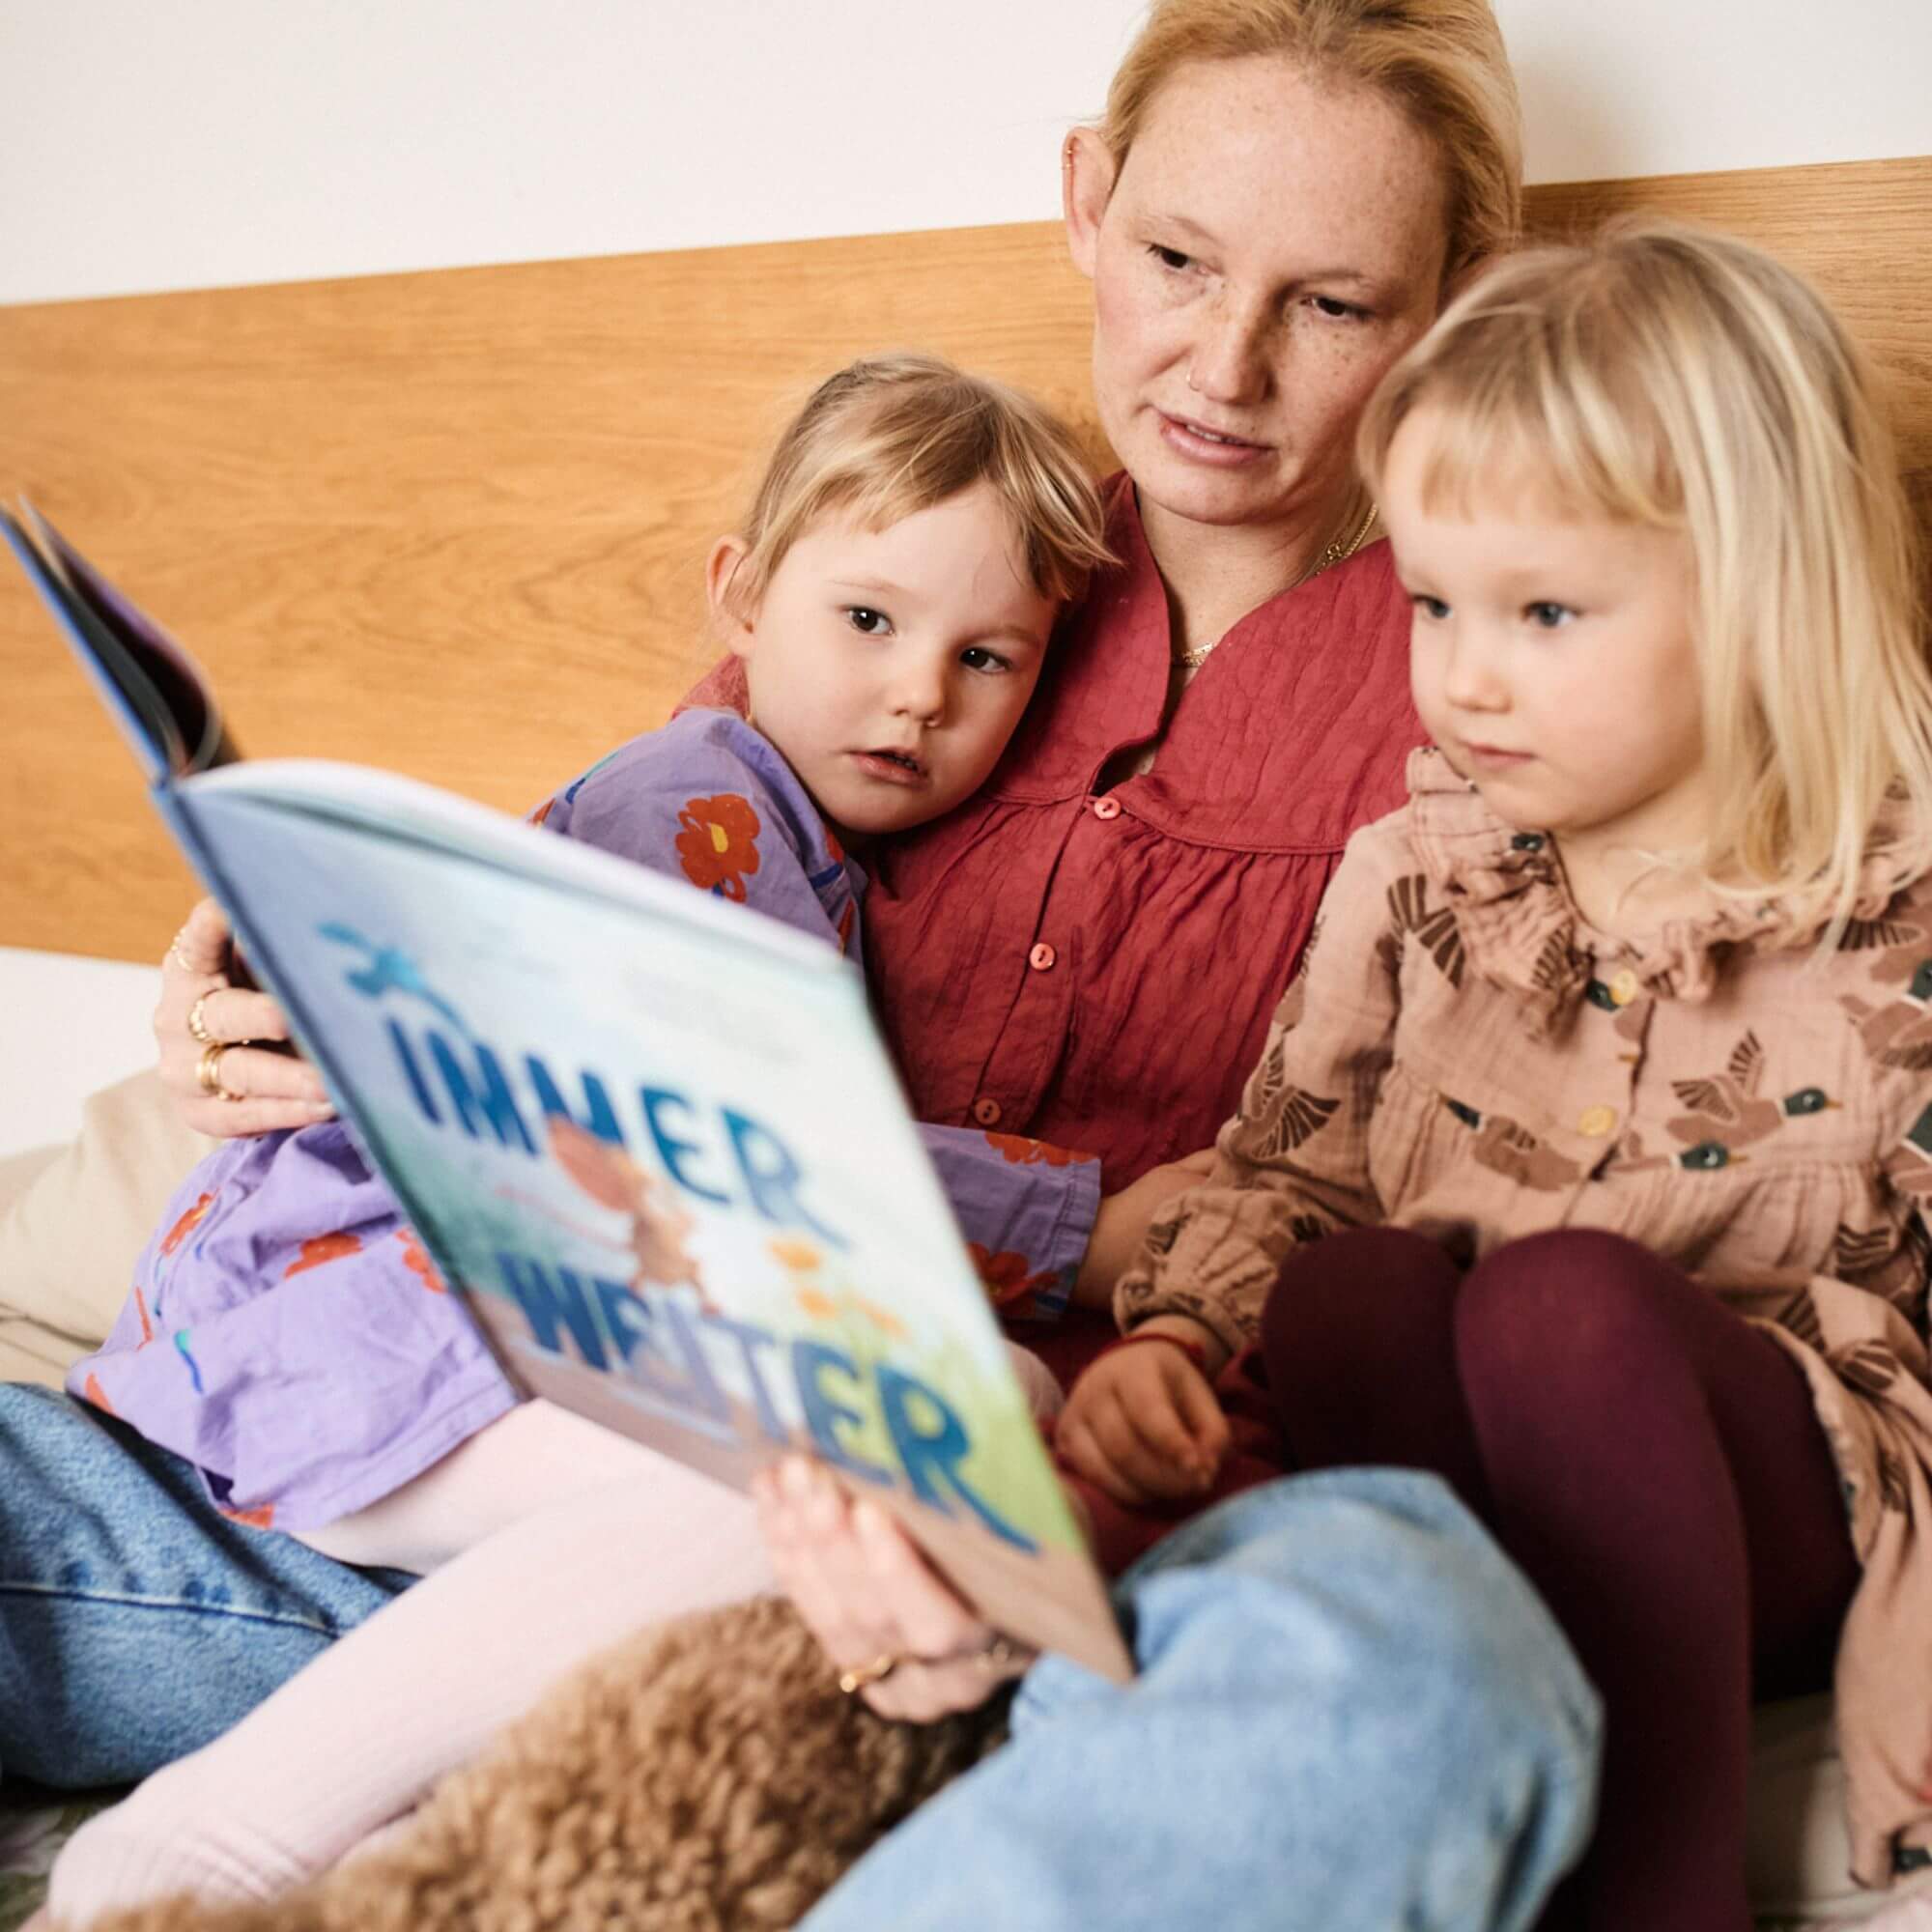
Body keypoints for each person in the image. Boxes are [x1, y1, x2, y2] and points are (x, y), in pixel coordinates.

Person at [52, 3, 1586, 1923]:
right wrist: (258, 989)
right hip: (581, 1424)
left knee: (1409, 1647)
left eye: (1336, 304)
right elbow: (588, 915)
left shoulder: (1492, 673)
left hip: (1062, 1516)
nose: (1225, 364)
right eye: (1180, 260)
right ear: (1086, 207)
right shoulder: (949, 552)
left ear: (1450, 306)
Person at [1048, 221, 1932, 1926]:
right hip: (1487, 1485)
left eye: (1543, 611)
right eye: (1437, 602)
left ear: (1759, 596)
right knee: (1362, 1291)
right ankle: (1466, 1728)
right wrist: (1172, 1337)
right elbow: (1290, 1172)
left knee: (1561, 1310)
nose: (1464, 670)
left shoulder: (1894, 918)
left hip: (1794, 1495)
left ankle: (1658, 1894)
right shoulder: (1418, 868)